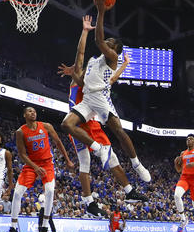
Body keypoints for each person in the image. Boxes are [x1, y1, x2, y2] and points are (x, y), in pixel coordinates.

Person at [58, 15, 149, 217]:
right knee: (86, 162)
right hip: (82, 117)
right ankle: (89, 201)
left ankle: (129, 189)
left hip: (92, 118)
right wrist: (84, 32)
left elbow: (109, 80)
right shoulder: (84, 72)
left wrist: (123, 65)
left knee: (109, 156)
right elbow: (80, 54)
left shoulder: (97, 66)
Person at [4, 107, 74, 232]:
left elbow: (58, 142)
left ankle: (44, 229)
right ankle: (13, 228)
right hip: (31, 164)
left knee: (49, 191)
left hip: (47, 163)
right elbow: (22, 155)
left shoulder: (46, 126)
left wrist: (67, 159)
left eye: (34, 111)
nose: (33, 113)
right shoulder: (20, 132)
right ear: (24, 115)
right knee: (17, 193)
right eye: (29, 111)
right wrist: (35, 167)